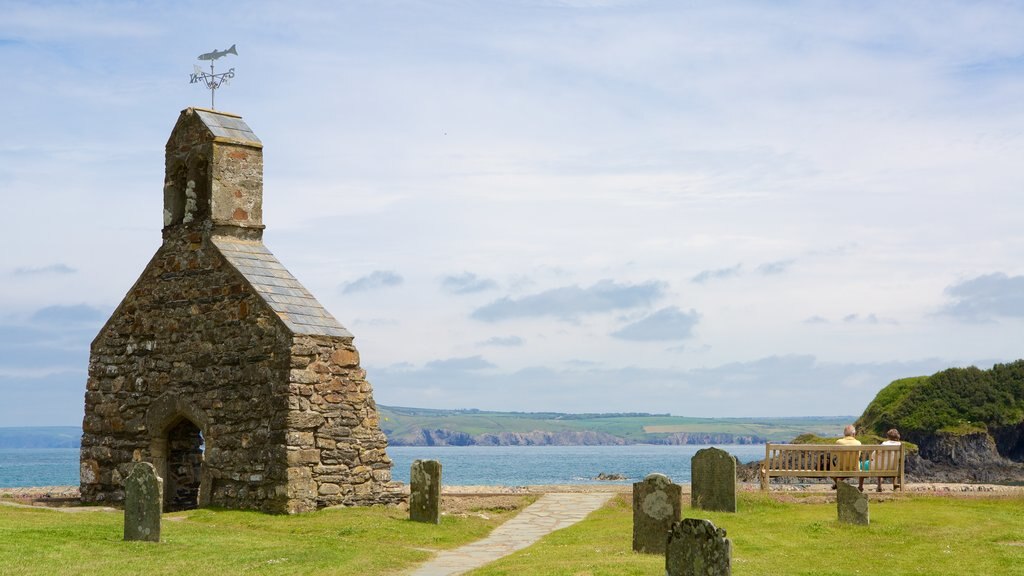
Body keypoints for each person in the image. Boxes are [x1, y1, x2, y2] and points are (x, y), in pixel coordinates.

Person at [832, 424, 861, 490]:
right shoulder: (858, 443)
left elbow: (835, 456)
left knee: (832, 470)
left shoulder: (839, 442)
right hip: (855, 468)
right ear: (853, 434)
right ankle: (860, 487)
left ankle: (837, 484)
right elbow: (859, 455)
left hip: (841, 468)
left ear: (844, 434)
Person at [876, 428, 902, 492]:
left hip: (883, 468)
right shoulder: (900, 444)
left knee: (879, 465)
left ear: (888, 436)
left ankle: (879, 486)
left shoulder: (884, 444)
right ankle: (894, 485)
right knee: (895, 466)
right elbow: (902, 456)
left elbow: (877, 452)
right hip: (894, 468)